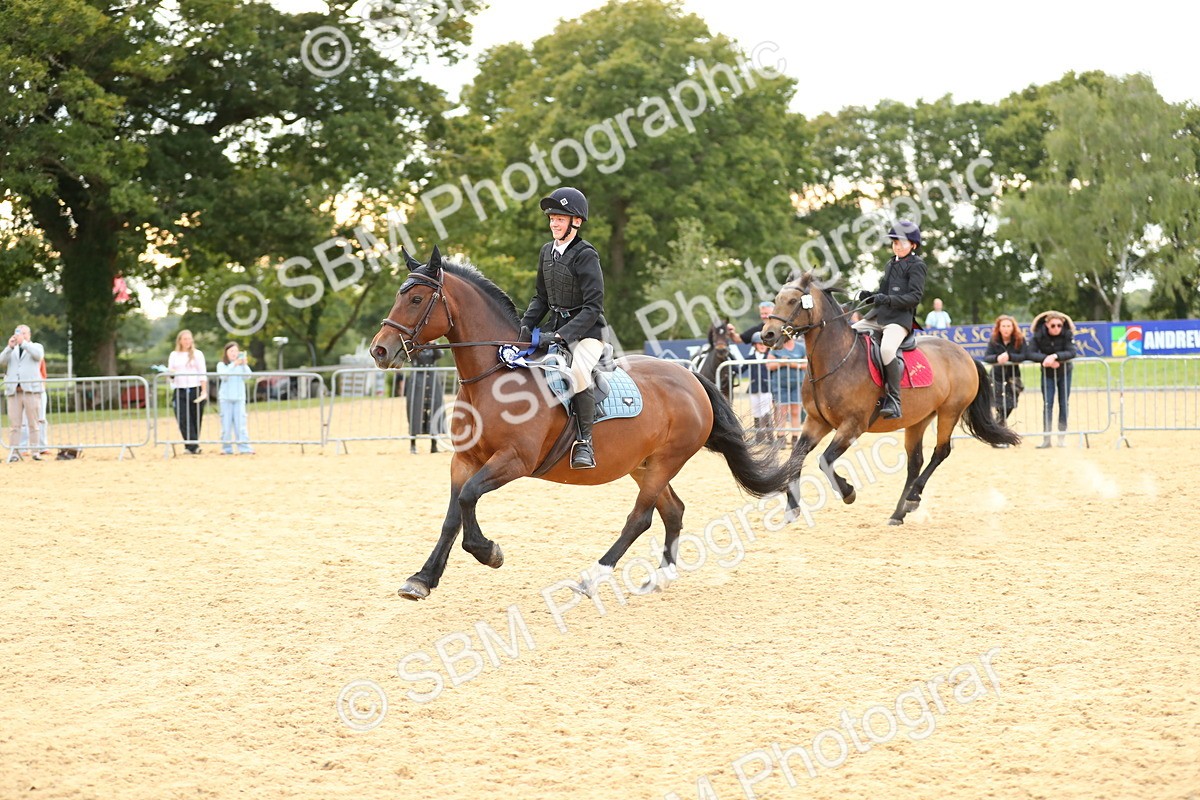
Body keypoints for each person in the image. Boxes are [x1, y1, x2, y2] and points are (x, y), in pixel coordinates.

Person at [518, 187, 606, 470]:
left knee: (579, 372)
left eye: (560, 218)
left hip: (588, 334)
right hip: (553, 326)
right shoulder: (547, 252)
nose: (554, 223)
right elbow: (541, 298)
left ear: (575, 222)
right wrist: (526, 324)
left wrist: (558, 336)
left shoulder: (586, 255)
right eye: (552, 218)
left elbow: (593, 307)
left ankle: (585, 443)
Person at [854, 220, 927, 419]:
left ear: (913, 245)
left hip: (899, 320)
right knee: (850, 332)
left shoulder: (917, 265)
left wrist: (886, 299)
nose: (897, 245)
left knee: (887, 349)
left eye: (902, 242)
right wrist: (870, 295)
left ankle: (894, 400)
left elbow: (914, 297)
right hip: (878, 317)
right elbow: (883, 292)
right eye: (895, 242)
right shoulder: (890, 264)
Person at [1026, 310, 1077, 448]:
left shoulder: (1067, 334)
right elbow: (1029, 353)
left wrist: (1055, 356)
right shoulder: (1039, 335)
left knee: (1063, 404)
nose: (1057, 328)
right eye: (1053, 325)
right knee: (1048, 405)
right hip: (1047, 374)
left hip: (1065, 373)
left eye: (1059, 325)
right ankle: (1046, 439)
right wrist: (1045, 359)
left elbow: (1072, 352)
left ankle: (1061, 438)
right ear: (1047, 325)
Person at [2, 324, 45, 462]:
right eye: (18, 333)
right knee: (15, 424)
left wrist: (24, 344)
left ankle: (35, 451)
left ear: (29, 335)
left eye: (24, 333)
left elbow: (38, 356)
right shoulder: (12, 350)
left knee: (33, 423)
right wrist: (9, 347)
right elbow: (1, 361)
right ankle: (14, 452)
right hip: (14, 391)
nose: (21, 335)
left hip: (31, 391)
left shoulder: (36, 346)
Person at [168, 329, 208, 454]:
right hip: (180, 389)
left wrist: (204, 390)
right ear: (180, 340)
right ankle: (192, 445)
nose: (187, 341)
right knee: (183, 418)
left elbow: (202, 373)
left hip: (194, 388)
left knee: (195, 417)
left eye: (189, 339)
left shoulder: (198, 354)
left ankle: (191, 445)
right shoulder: (174, 355)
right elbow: (170, 372)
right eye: (185, 339)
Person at [983, 315, 1026, 423]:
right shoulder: (994, 340)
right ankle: (1000, 424)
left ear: (1013, 327)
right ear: (999, 328)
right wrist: (997, 358)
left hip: (1013, 376)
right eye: (1003, 326)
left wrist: (1010, 357)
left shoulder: (1019, 339)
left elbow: (1025, 355)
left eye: (1008, 326)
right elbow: (987, 357)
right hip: (996, 376)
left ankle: (999, 423)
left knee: (1011, 402)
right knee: (998, 403)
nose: (1006, 328)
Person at [404, 345, 446, 454]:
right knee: (415, 411)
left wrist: (433, 344)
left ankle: (434, 445)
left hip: (432, 380)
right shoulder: (414, 346)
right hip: (417, 381)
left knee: (435, 410)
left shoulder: (433, 346)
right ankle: (412, 445)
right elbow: (409, 355)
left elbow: (439, 355)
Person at [767, 334, 806, 446]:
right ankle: (781, 437)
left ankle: (795, 437)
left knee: (795, 411)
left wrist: (793, 365)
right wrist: (782, 363)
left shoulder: (801, 347)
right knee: (781, 411)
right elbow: (769, 365)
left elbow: (806, 364)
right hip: (780, 384)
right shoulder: (776, 347)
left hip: (797, 384)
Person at [216, 342, 254, 455]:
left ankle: (244, 448)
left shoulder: (241, 366)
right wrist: (234, 365)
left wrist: (244, 365)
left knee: (240, 425)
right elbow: (224, 376)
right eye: (231, 351)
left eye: (236, 351)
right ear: (226, 353)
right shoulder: (222, 365)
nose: (233, 353)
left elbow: (248, 376)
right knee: (226, 426)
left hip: (239, 399)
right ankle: (226, 448)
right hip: (226, 399)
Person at [741, 332, 775, 445]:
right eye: (759, 344)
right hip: (754, 387)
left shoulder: (769, 357)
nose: (762, 346)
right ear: (754, 345)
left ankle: (770, 437)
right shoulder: (750, 358)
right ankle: (759, 437)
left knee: (765, 411)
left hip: (766, 387)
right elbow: (740, 369)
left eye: (764, 344)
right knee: (756, 411)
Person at [19, 353, 51, 458]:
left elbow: (43, 374)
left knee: (41, 419)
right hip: (26, 391)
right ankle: (23, 447)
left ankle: (42, 446)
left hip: (39, 390)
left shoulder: (39, 357)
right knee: (24, 420)